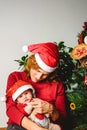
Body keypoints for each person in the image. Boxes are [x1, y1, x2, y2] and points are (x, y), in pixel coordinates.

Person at [6, 42, 67, 130]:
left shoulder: (57, 85)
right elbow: (10, 110)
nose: (39, 77)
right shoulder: (15, 77)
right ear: (31, 63)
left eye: (45, 74)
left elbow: (62, 117)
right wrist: (35, 128)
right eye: (37, 70)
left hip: (46, 125)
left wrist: (51, 109)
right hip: (20, 126)